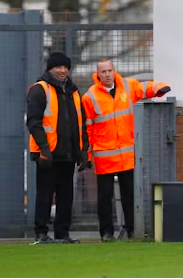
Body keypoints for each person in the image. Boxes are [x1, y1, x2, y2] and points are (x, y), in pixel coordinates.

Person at [82, 58, 170, 242]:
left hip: (128, 154)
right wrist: (87, 154)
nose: (107, 74)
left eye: (109, 70)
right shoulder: (89, 97)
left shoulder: (127, 86)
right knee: (105, 197)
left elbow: (145, 88)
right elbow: (87, 129)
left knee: (130, 194)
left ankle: (131, 230)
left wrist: (160, 88)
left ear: (114, 70)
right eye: (103, 72)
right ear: (97, 74)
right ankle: (106, 233)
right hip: (104, 155)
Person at [26, 52, 89, 244]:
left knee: (65, 197)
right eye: (58, 67)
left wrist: (83, 151)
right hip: (47, 154)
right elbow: (33, 122)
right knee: (45, 195)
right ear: (50, 68)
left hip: (68, 154)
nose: (62, 70)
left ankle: (62, 234)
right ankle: (41, 234)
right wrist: (44, 149)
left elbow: (82, 124)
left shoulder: (74, 92)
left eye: (65, 67)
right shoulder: (39, 90)